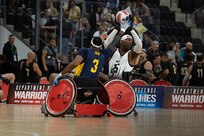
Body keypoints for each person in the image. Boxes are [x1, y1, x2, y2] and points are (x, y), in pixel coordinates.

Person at [51, 36, 112, 103]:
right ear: (100, 46)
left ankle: (54, 100)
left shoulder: (85, 51)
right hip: (95, 84)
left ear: (90, 44)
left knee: (53, 76)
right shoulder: (104, 53)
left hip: (82, 83)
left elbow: (74, 64)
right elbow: (113, 43)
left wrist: (60, 74)